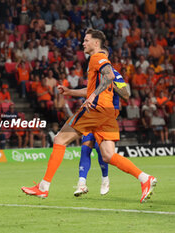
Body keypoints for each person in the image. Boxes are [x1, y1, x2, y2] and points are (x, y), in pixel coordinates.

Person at [21, 29, 156, 203]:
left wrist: (93, 96)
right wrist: (71, 91)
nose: (83, 43)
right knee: (108, 155)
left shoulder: (96, 57)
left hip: (96, 109)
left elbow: (108, 78)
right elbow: (97, 86)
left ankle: (43, 187)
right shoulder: (100, 62)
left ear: (96, 43)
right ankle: (145, 179)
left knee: (60, 140)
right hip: (108, 112)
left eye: (86, 40)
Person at [74, 47, 130, 197]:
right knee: (86, 147)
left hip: (107, 115)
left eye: (102, 55)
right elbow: (87, 91)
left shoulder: (114, 74)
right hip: (92, 114)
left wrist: (110, 84)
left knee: (101, 150)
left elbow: (126, 94)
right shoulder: (93, 75)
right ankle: (81, 183)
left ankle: (105, 179)